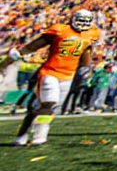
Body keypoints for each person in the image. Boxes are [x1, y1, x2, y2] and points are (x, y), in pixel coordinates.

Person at [1, 9, 100, 147]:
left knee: (40, 108)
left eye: (86, 20)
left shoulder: (92, 34)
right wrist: (5, 64)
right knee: (49, 104)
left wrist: (86, 66)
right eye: (81, 20)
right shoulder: (59, 30)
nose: (83, 23)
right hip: (50, 72)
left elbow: (86, 53)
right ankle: (39, 137)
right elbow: (31, 47)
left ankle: (21, 135)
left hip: (68, 75)